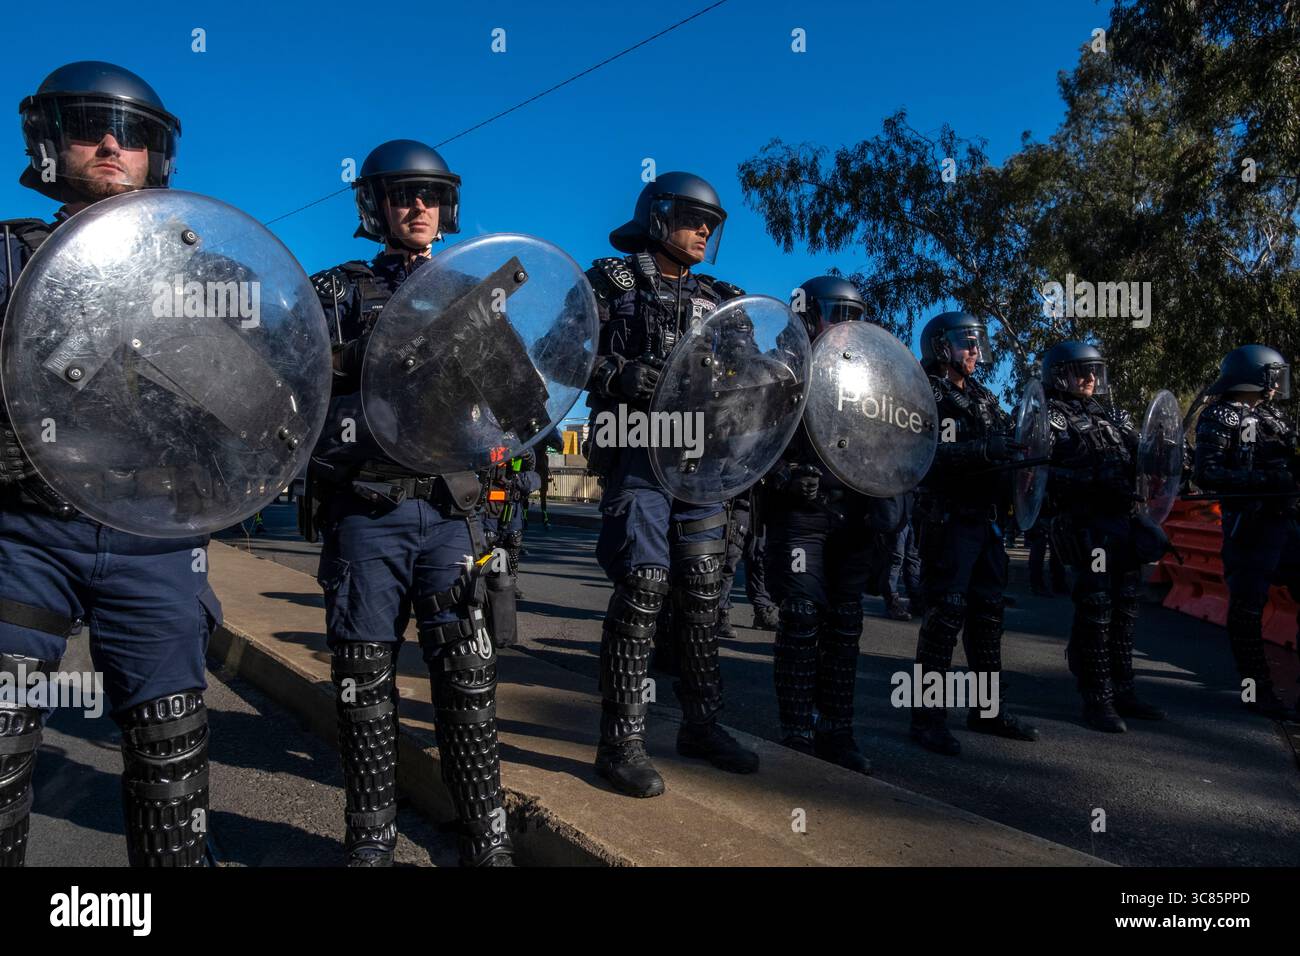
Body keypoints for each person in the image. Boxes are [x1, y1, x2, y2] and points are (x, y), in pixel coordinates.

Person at [0, 61, 218, 867]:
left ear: (158, 155)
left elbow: (263, 417)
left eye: (130, 133)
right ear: (50, 143)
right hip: (25, 532)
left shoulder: (208, 276)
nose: (109, 145)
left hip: (152, 537)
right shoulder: (5, 260)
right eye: (90, 128)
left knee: (172, 757)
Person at [304, 139, 513, 865]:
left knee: (468, 677)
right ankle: (370, 838)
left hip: (454, 512)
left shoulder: (474, 296)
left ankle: (487, 836)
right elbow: (294, 386)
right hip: (368, 510)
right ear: (378, 206)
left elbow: (515, 410)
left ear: (446, 206)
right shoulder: (338, 291)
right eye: (402, 194)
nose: (417, 206)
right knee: (364, 680)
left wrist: (502, 510)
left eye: (429, 195)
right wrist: (357, 358)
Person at [582, 172, 758, 798]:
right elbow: (563, 352)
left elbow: (751, 374)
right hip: (637, 458)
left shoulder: (726, 299)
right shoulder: (609, 279)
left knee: (707, 595)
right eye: (692, 218)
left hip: (702, 465)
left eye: (712, 223)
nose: (704, 230)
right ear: (657, 217)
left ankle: (701, 726)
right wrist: (620, 374)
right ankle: (621, 742)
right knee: (644, 583)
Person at [764, 276, 883, 773]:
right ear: (810, 315)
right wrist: (789, 475)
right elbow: (749, 448)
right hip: (801, 517)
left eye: (855, 315)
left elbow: (891, 443)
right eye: (837, 312)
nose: (846, 325)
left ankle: (838, 730)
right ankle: (797, 730)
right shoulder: (779, 372)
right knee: (801, 616)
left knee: (845, 623)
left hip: (851, 516)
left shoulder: (869, 381)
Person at [909, 312, 1039, 756]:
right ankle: (926, 718)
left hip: (986, 522)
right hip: (946, 519)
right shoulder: (923, 390)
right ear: (942, 345)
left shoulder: (983, 397)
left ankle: (987, 710)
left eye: (978, 345)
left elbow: (1011, 442)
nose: (977, 354)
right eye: (968, 344)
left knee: (987, 618)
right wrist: (982, 449)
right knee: (945, 616)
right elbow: (919, 453)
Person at [1042, 341, 1167, 733]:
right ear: (1061, 373)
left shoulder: (1111, 414)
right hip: (1086, 523)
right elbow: (1038, 473)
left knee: (1126, 606)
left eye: (1095, 370)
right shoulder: (1049, 415)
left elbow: (1145, 451)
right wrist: (1092, 480)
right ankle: (1097, 698)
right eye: (1083, 371)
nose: (1091, 378)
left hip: (1123, 522)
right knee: (1096, 606)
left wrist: (1171, 455)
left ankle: (1123, 689)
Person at [1194, 344, 1298, 720]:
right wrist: (1267, 480)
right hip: (1249, 526)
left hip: (1286, 522)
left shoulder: (1277, 418)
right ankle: (1256, 690)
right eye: (1273, 376)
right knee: (1247, 610)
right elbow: (1206, 473)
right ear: (1255, 375)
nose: (1276, 385)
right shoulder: (1218, 416)